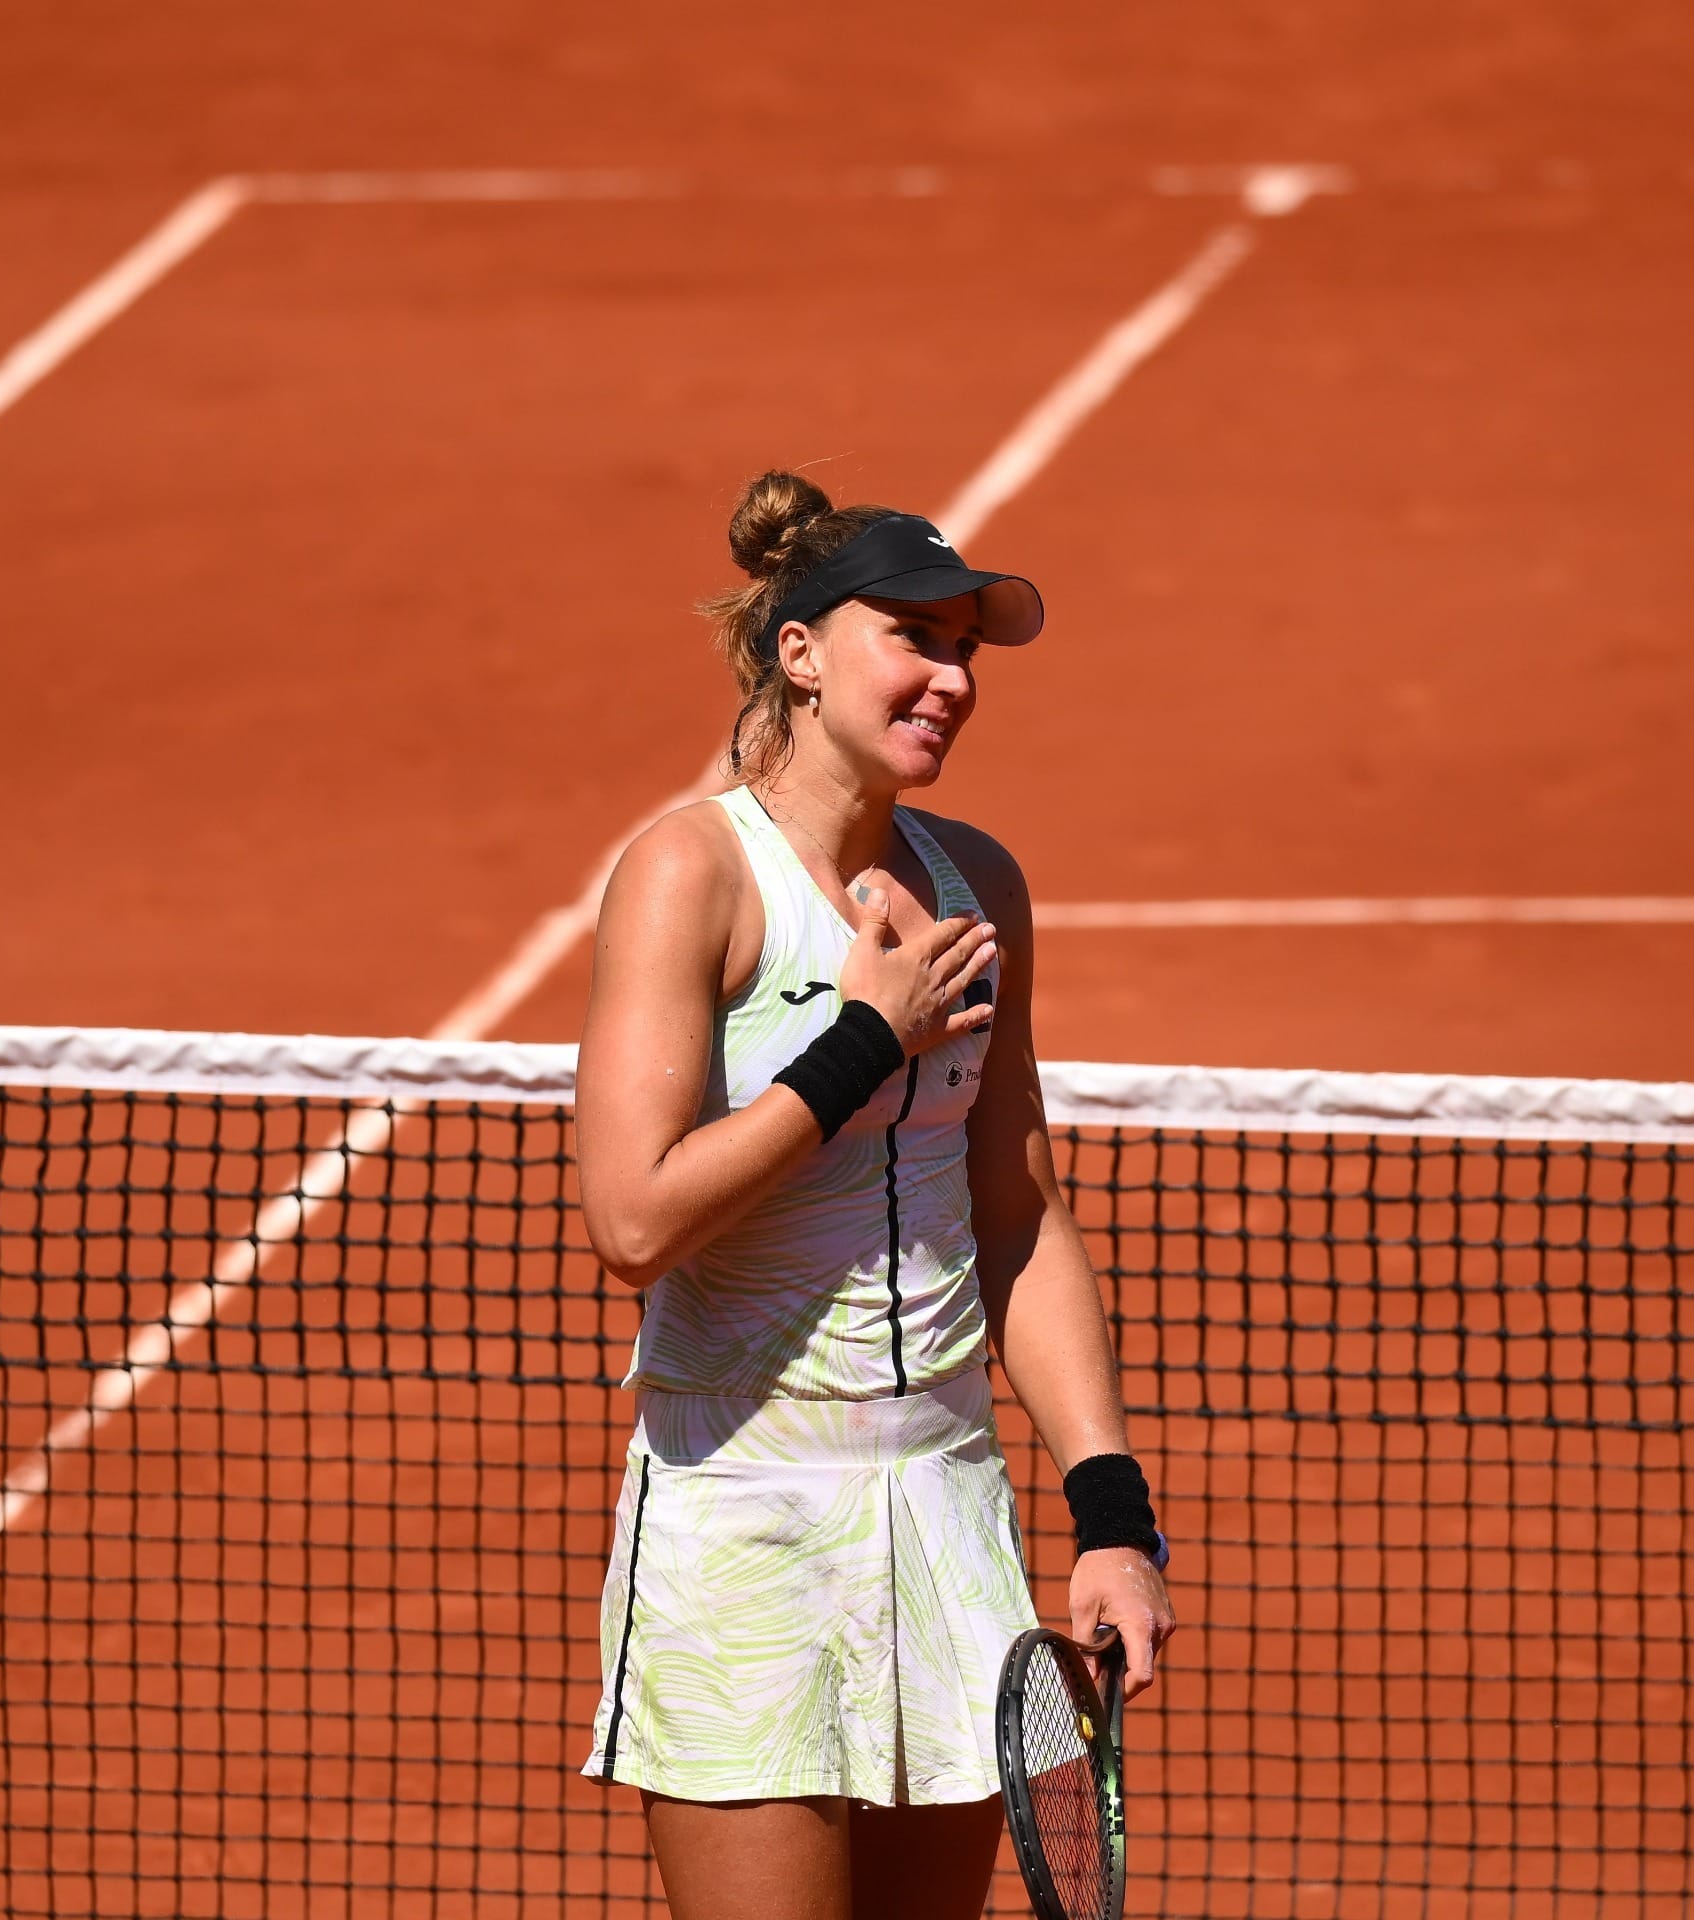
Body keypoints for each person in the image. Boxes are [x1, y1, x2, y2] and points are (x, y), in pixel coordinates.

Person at [574, 470, 1174, 1920]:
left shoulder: (978, 889)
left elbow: (1018, 1212)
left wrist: (1111, 1512)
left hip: (946, 1513)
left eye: (966, 648)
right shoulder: (689, 875)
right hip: (746, 1519)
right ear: (799, 653)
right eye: (914, 636)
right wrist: (864, 1042)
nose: (952, 677)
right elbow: (634, 1223)